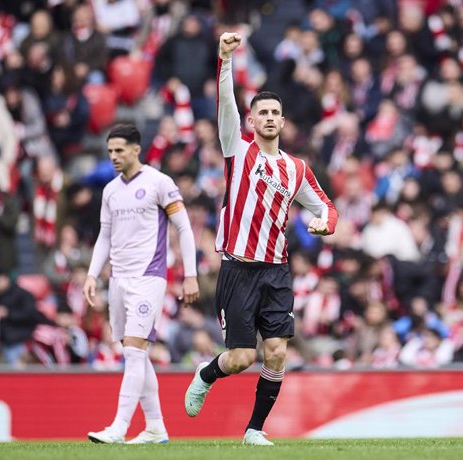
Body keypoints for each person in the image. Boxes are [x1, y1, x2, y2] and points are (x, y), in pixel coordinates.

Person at [183, 32, 338, 446]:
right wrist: (226, 58)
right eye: (262, 112)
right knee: (241, 359)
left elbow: (325, 206)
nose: (269, 117)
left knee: (276, 353)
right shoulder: (237, 147)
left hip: (276, 270)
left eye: (275, 112)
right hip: (237, 270)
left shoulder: (296, 168)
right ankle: (206, 373)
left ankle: (254, 429)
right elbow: (225, 102)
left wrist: (327, 223)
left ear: (283, 122)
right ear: (251, 121)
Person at [83, 124, 200, 444]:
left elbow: (185, 228)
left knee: (134, 353)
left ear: (136, 149)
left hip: (149, 277)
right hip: (118, 280)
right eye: (110, 152)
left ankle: (119, 427)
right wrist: (93, 274)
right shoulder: (110, 191)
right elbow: (104, 237)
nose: (114, 157)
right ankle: (155, 427)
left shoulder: (159, 183)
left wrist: (190, 274)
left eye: (119, 150)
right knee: (136, 353)